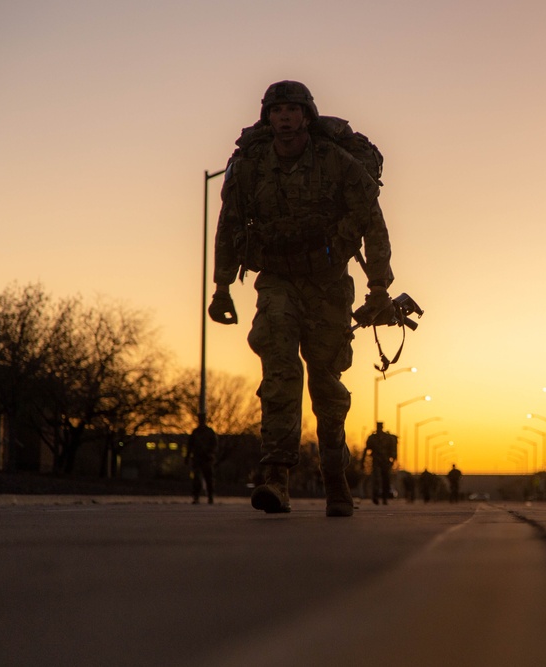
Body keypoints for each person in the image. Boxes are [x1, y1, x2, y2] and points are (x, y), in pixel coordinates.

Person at [209, 80, 394, 517]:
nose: (285, 117)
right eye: (277, 110)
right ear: (267, 119)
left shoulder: (337, 162)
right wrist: (220, 287)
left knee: (326, 382)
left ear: (307, 116)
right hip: (277, 279)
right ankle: (275, 476)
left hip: (328, 283)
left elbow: (373, 223)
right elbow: (229, 225)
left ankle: (336, 477)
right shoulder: (251, 167)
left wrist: (379, 289)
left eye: (293, 109)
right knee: (278, 369)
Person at [362, 422, 398, 505]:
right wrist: (362, 462)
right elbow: (366, 449)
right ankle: (375, 496)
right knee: (376, 479)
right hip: (376, 461)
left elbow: (393, 450)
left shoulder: (388, 438)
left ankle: (384, 498)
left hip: (386, 462)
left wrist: (393, 461)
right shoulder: (372, 438)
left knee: (386, 480)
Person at [186, 417, 218, 505]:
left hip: (207, 458)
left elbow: (214, 444)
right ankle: (196, 496)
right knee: (197, 478)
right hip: (197, 458)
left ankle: (210, 497)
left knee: (209, 479)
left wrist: (211, 453)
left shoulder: (209, 432)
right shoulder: (195, 432)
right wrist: (187, 456)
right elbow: (190, 445)